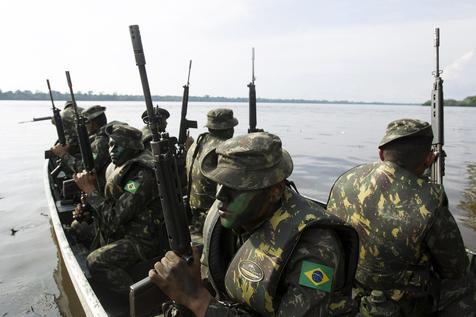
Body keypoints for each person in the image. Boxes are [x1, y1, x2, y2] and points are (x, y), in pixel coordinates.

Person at [149, 132, 359, 316]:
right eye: (220, 182)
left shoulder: (316, 248)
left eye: (236, 186)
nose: (221, 195)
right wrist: (192, 284)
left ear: (274, 192)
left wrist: (197, 299)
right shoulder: (227, 216)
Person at [327, 118, 475, 316]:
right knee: (464, 282)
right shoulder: (430, 200)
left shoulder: (347, 178)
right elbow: (454, 268)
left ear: (381, 154)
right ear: (429, 159)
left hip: (349, 287)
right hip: (400, 305)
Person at [74, 124, 167, 296]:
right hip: (123, 229)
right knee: (78, 226)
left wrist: (90, 191)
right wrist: (88, 205)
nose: (112, 150)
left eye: (118, 146)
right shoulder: (119, 166)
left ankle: (138, 300)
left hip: (142, 240)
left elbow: (115, 217)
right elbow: (110, 206)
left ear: (132, 148)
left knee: (95, 261)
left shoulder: (141, 176)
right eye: (110, 145)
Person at [186, 108, 238, 235]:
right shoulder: (224, 148)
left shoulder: (197, 143)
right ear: (228, 129)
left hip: (194, 212)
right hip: (213, 215)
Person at [50, 100, 84, 173]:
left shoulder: (61, 114)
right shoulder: (84, 111)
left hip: (71, 146)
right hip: (85, 142)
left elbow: (53, 121)